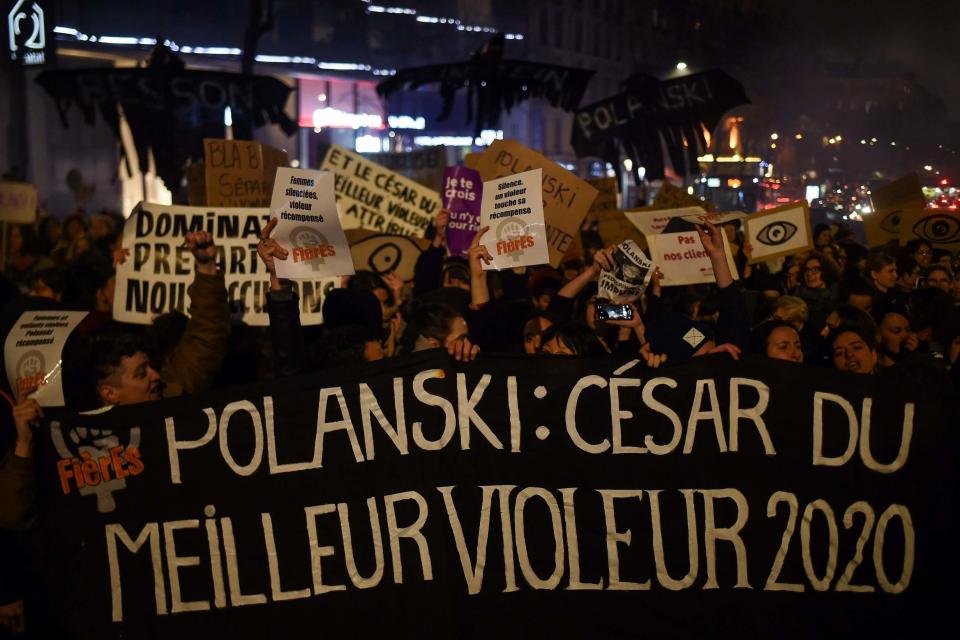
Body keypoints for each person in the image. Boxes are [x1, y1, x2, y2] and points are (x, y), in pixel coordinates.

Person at [92, 230, 230, 405]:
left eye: (150, 367)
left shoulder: (173, 392)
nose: (156, 375)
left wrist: (207, 267)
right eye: (141, 373)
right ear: (110, 394)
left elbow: (207, 334)